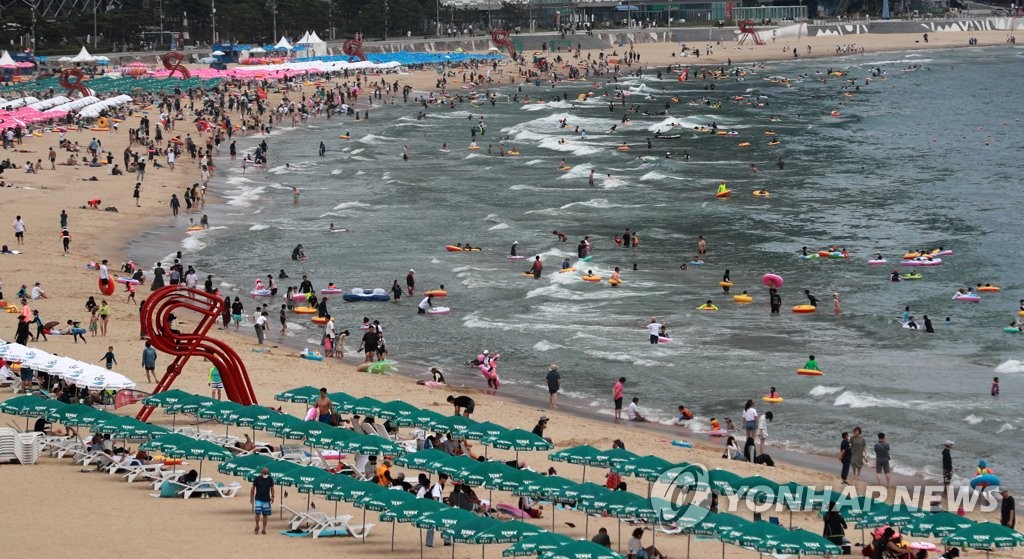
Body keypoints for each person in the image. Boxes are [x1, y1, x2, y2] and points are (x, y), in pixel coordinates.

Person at [250, 466, 275, 535]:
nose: (265, 474)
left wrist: (273, 496)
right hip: (258, 499)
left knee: (265, 515)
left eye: (267, 473)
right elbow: (253, 489)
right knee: (257, 513)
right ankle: (257, 525)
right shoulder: (257, 479)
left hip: (266, 500)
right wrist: (251, 498)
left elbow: (272, 488)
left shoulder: (270, 479)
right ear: (261, 473)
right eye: (264, 473)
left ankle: (264, 529)